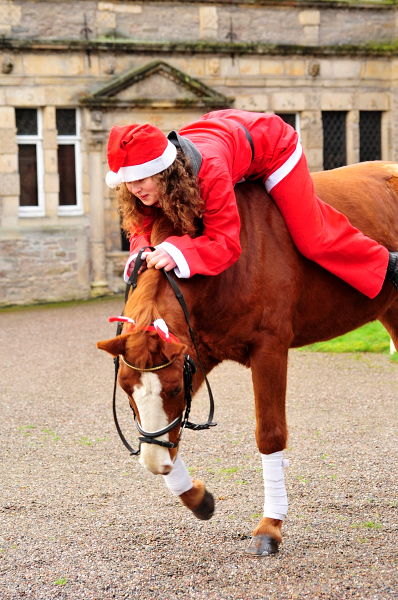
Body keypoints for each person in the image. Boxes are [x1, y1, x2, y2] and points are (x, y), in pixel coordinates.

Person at [105, 109, 398, 299]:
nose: (134, 188)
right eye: (128, 181)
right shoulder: (143, 184)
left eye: (141, 179)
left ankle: (389, 265)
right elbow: (139, 228)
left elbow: (226, 243)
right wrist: (140, 253)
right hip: (223, 130)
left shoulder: (211, 172)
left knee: (312, 238)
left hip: (272, 146)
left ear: (164, 171)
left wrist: (175, 251)